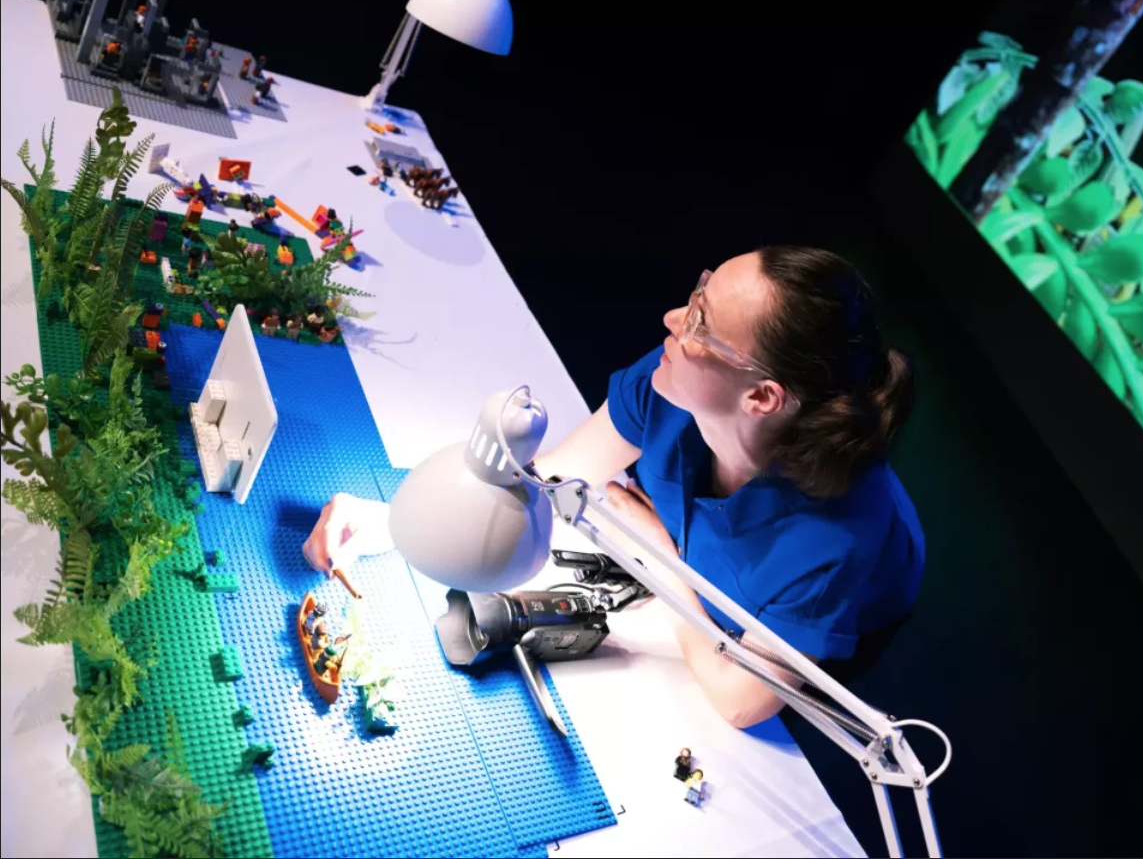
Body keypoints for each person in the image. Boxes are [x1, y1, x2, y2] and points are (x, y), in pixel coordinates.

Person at [303, 247, 924, 729]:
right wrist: (396, 520)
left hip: (842, 613)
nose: (673, 320)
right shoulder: (675, 381)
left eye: (700, 323)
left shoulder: (834, 547)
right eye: (698, 295)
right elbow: (551, 477)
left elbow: (739, 701)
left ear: (761, 397)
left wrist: (660, 558)